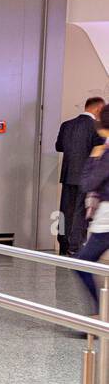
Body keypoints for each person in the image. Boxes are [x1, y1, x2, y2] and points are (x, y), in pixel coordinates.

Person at [57, 97, 105, 255]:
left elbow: (59, 146)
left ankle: (63, 245)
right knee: (80, 213)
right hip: (85, 177)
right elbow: (99, 151)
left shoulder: (67, 125)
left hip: (68, 174)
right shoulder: (96, 127)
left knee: (65, 211)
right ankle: (75, 248)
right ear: (98, 109)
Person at [74, 104, 109, 309]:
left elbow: (89, 183)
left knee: (82, 262)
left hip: (106, 218)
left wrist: (93, 158)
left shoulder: (105, 153)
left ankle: (98, 313)